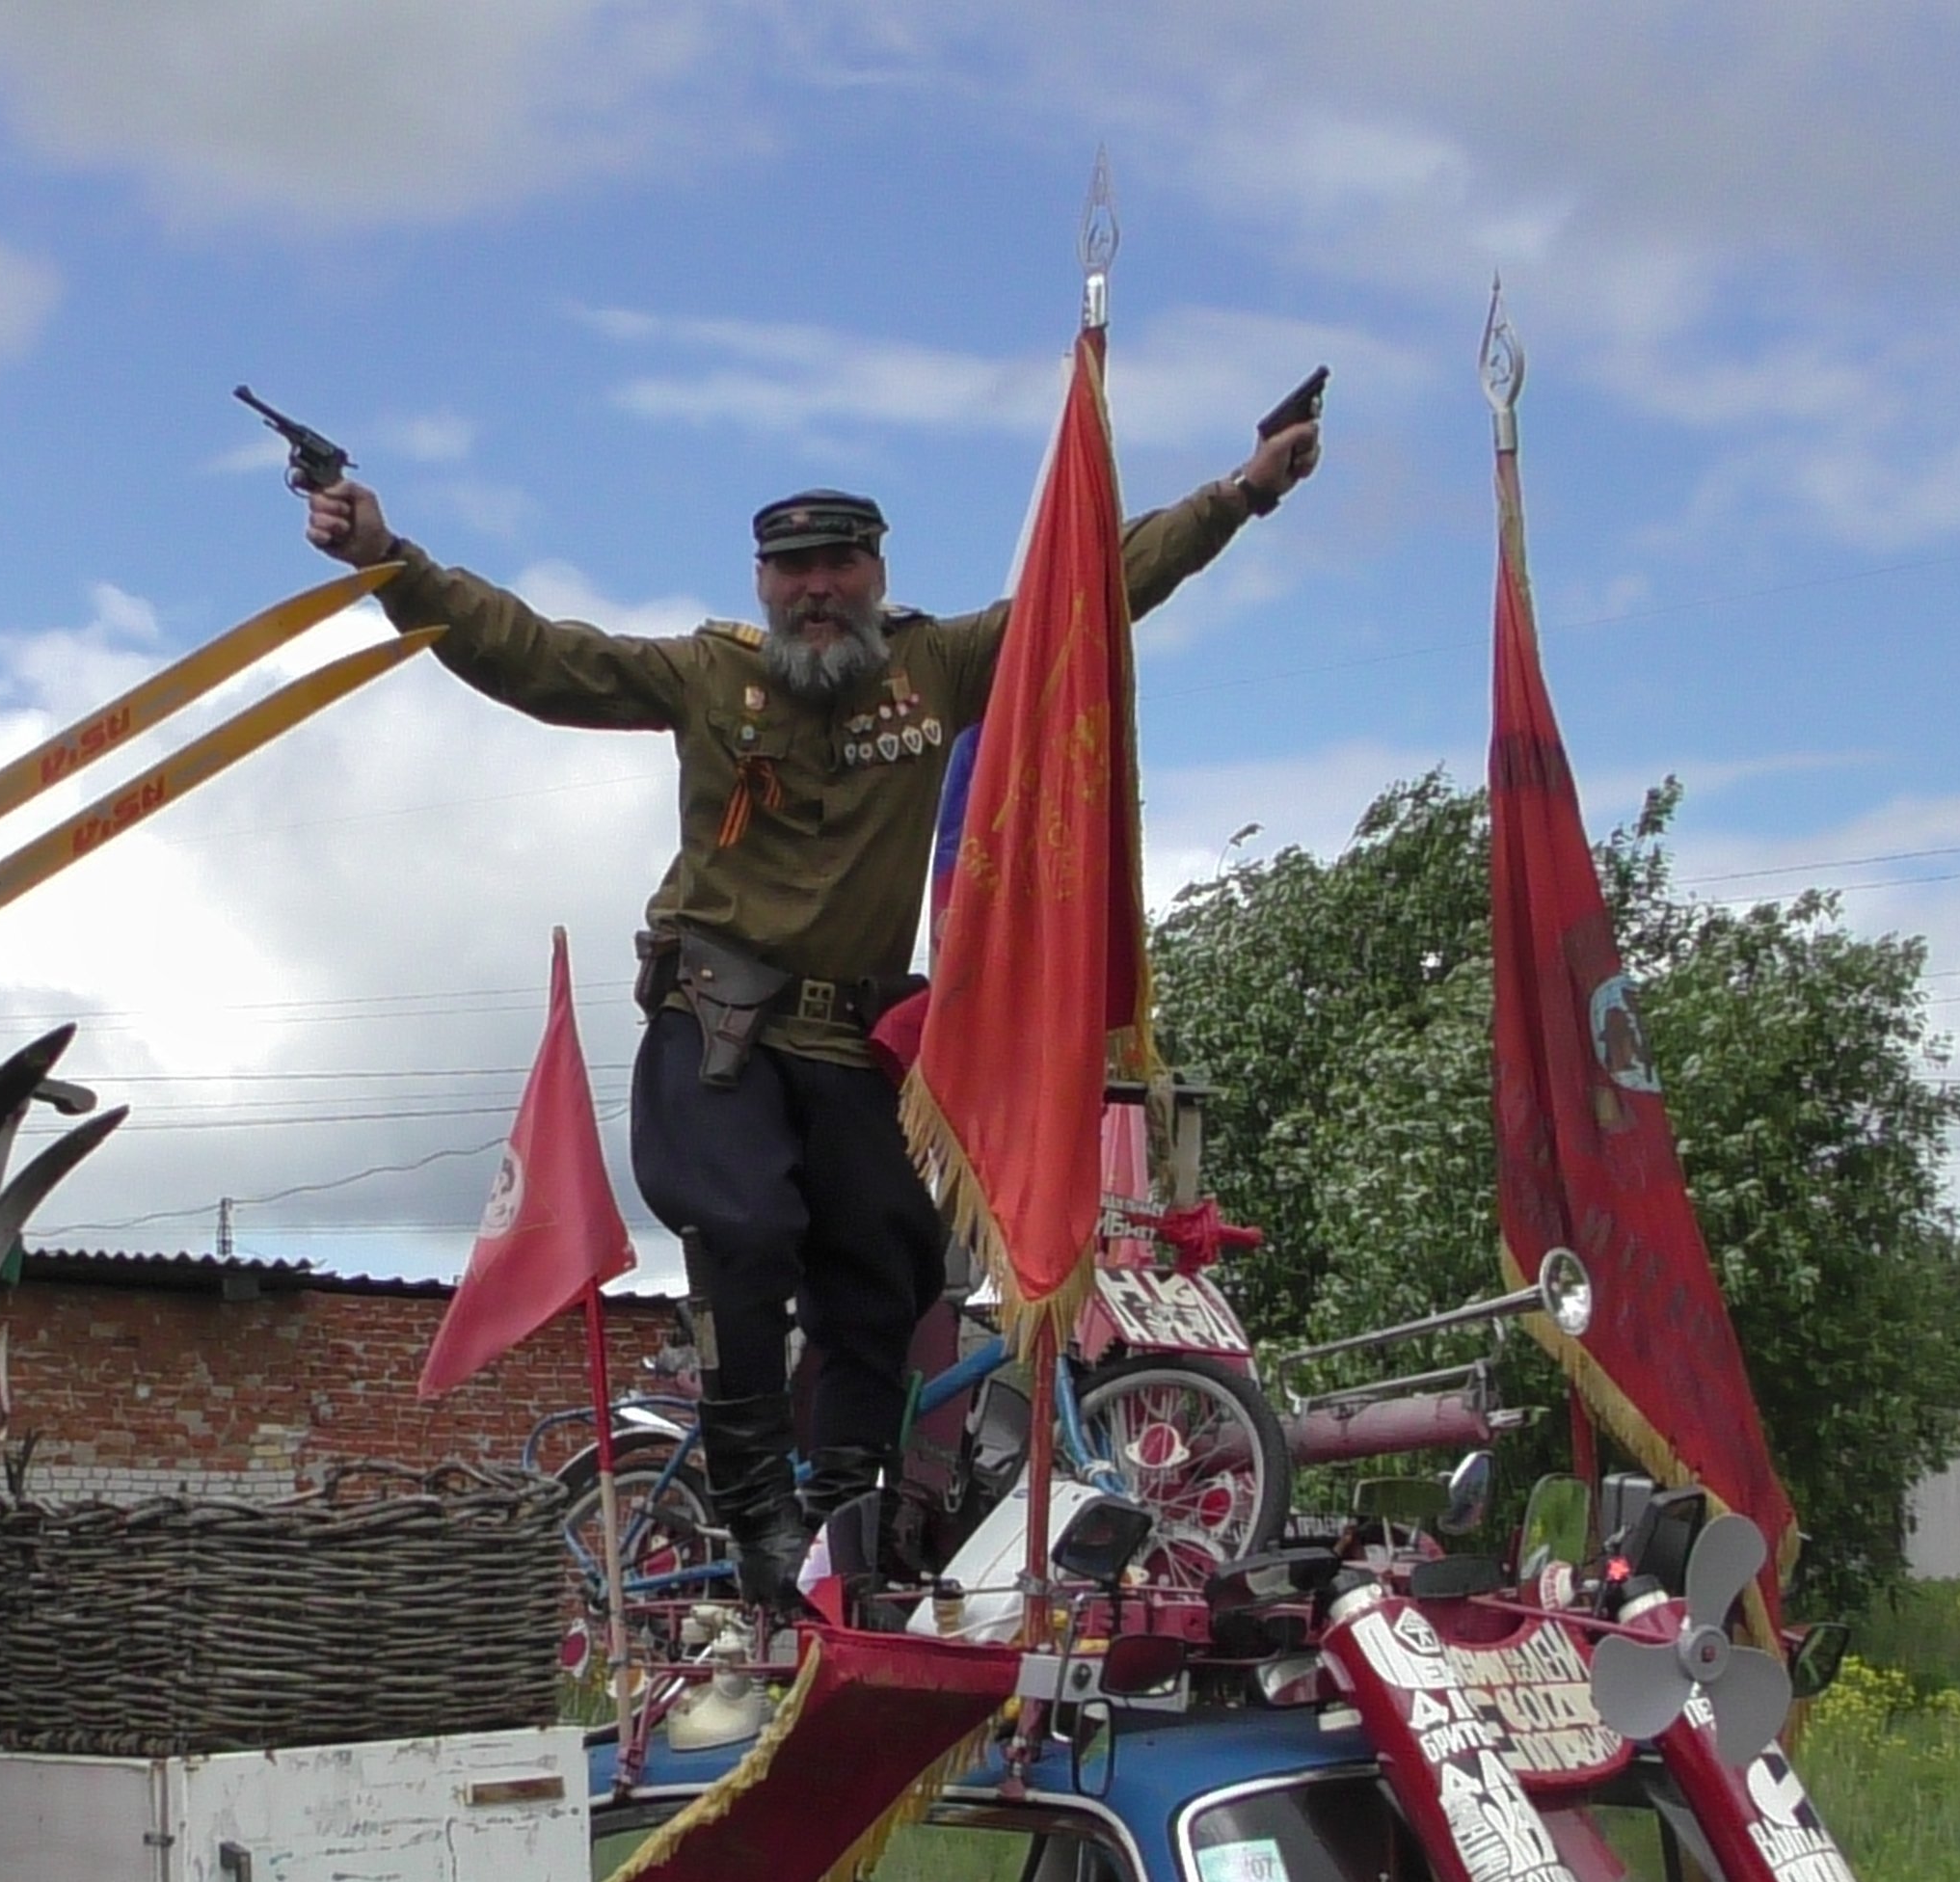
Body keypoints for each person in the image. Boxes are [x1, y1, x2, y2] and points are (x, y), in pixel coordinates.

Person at [304, 411, 1320, 1605]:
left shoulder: (936, 666)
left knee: (886, 1266)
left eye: (840, 567)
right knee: (741, 1231)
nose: (818, 591)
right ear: (764, 584)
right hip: (717, 1028)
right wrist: (390, 559)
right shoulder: (706, 674)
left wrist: (1242, 492)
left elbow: (1092, 593)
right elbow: (532, 655)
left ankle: (848, 1523)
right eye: (795, 572)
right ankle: (757, 1519)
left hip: (851, 1042)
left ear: (878, 574)